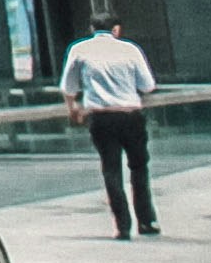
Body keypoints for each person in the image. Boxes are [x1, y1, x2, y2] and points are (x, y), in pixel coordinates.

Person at [60, 15, 162, 236]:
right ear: (116, 29)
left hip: (101, 117)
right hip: (130, 114)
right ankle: (146, 221)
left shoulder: (79, 49)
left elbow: (68, 87)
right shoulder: (130, 50)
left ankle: (122, 226)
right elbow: (147, 85)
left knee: (111, 170)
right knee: (139, 167)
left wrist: (73, 109)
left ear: (92, 28)